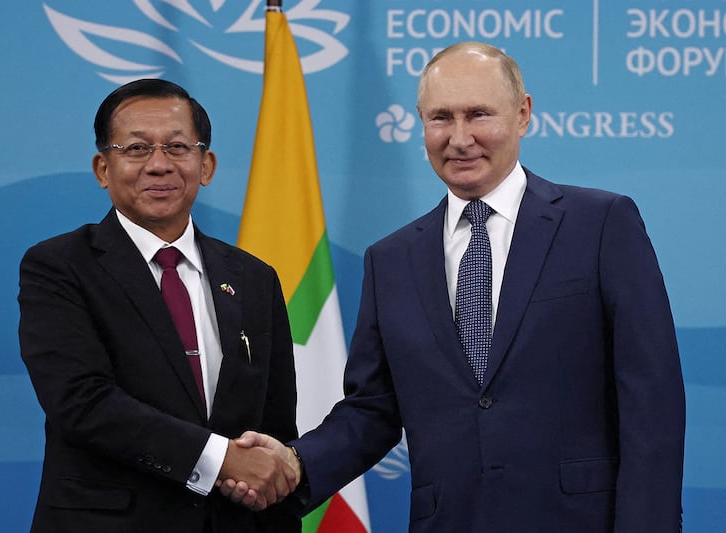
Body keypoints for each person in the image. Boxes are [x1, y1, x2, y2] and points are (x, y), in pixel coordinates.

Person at [224, 41, 686, 532]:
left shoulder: (599, 224)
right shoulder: (392, 260)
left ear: (523, 114)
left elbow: (651, 397)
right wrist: (297, 462)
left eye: (479, 114)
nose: (460, 138)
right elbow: (373, 409)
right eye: (441, 117)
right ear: (421, 122)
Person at [18, 78, 300, 532]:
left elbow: (275, 427)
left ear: (205, 165)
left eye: (176, 147)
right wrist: (220, 459)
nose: (158, 166)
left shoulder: (254, 278)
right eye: (135, 149)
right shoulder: (59, 267)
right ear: (102, 168)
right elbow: (81, 402)